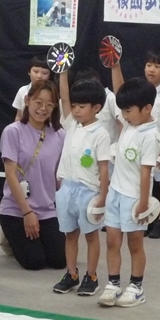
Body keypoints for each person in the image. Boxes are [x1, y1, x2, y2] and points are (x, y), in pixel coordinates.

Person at [99, 77, 159, 308]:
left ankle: (136, 287)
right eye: (122, 110)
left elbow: (146, 173)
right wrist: (115, 66)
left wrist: (143, 202)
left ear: (147, 109)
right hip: (115, 193)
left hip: (135, 198)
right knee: (112, 241)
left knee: (135, 244)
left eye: (128, 110)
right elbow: (119, 89)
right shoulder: (129, 125)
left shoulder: (150, 135)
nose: (124, 115)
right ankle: (113, 284)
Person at [52, 72, 109, 295]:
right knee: (70, 234)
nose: (76, 110)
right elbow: (64, 98)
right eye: (74, 106)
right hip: (67, 188)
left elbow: (104, 168)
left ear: (96, 107)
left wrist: (103, 196)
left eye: (81, 106)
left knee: (91, 235)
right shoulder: (70, 125)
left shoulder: (101, 134)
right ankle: (71, 273)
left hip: (89, 192)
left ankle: (91, 276)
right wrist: (63, 72)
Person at [0, 80, 66, 270]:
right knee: (34, 262)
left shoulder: (59, 134)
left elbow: (59, 176)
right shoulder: (13, 132)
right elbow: (10, 174)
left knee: (59, 261)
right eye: (38, 102)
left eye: (49, 104)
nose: (43, 108)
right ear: (27, 101)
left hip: (47, 209)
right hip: (16, 209)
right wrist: (27, 212)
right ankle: (10, 238)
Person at [112, 48, 160, 239]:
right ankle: (141, 217)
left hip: (158, 145)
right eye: (149, 65)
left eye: (157, 66)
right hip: (138, 147)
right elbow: (120, 95)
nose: (151, 69)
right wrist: (115, 65)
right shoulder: (136, 91)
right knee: (141, 179)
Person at [12, 55, 51, 121]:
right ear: (29, 72)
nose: (39, 76)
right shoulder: (22, 90)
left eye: (44, 73)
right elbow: (19, 116)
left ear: (49, 75)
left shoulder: (52, 92)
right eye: (36, 72)